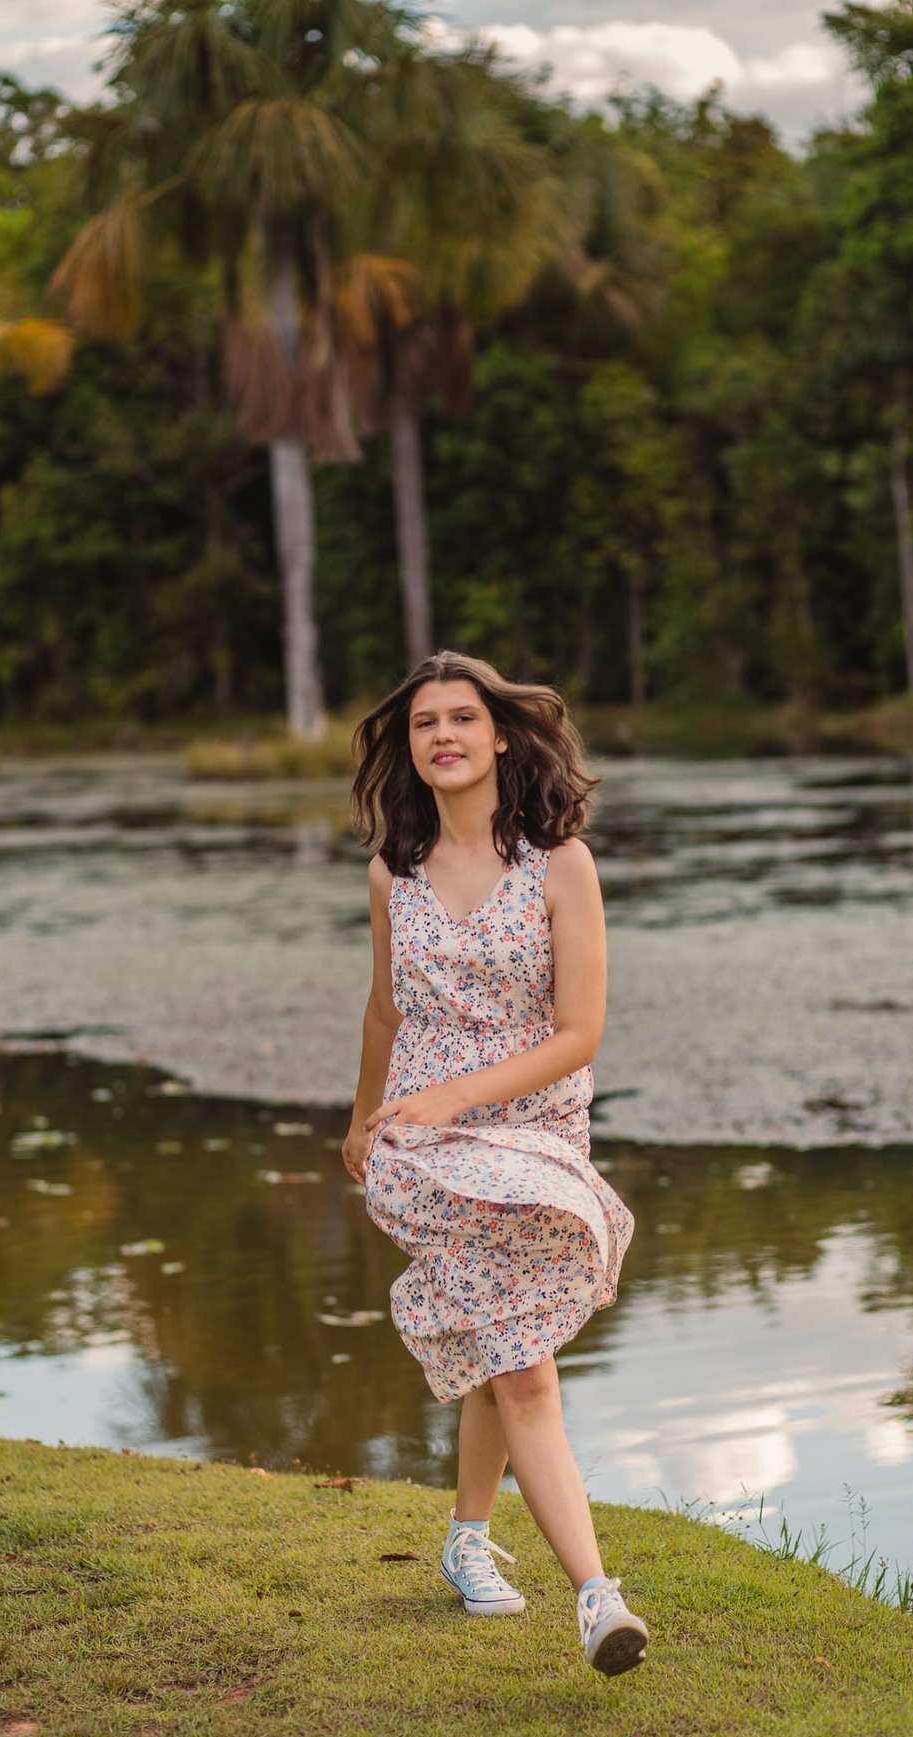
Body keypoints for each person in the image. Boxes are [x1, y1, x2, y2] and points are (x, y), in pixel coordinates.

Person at [342, 649, 647, 1677]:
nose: (443, 736)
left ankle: (469, 1539)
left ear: (503, 734)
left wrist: (462, 1094)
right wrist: (364, 1118)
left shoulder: (559, 864)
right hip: (428, 1151)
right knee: (522, 1366)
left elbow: (582, 1032)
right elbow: (387, 1009)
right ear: (411, 748)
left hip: (537, 1138)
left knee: (499, 1335)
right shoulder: (394, 873)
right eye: (424, 724)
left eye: (462, 718)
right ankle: (597, 1600)